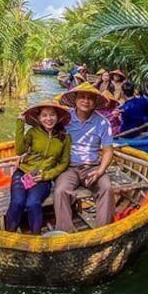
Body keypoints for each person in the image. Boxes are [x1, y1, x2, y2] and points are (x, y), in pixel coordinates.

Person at [54, 83, 115, 233]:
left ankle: (102, 233)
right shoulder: (64, 120)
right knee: (61, 190)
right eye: (82, 97)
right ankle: (65, 233)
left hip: (93, 166)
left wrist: (100, 171)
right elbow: (48, 140)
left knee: (106, 188)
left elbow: (108, 151)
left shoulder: (103, 122)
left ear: (95, 102)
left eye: (90, 98)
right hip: (69, 167)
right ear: (75, 99)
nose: (86, 101)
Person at [4, 101, 71, 234]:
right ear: (39, 118)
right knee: (17, 202)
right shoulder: (33, 132)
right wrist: (20, 125)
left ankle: (36, 237)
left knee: (32, 203)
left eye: (52, 115)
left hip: (43, 178)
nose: (48, 119)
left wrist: (47, 175)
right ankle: (8, 235)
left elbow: (64, 163)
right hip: (23, 173)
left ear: (58, 117)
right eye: (44, 115)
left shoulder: (65, 137)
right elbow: (19, 151)